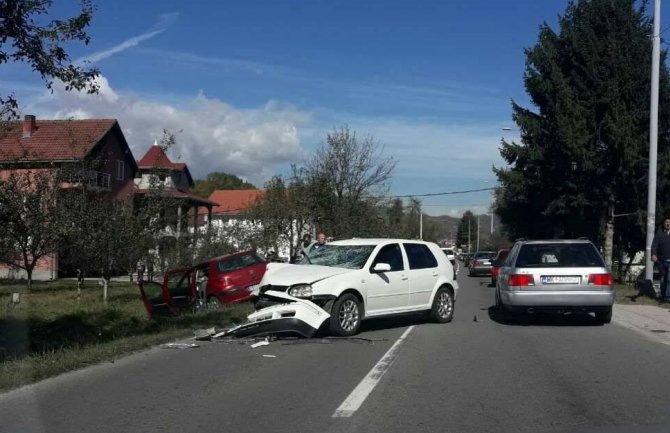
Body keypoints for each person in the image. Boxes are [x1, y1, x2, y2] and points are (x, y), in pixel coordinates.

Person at [651, 217, 670, 303]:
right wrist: (653, 254)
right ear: (664, 223)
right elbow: (654, 245)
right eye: (666, 222)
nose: (668, 224)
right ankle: (663, 296)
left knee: (669, 279)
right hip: (661, 261)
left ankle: (667, 297)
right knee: (663, 279)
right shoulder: (659, 233)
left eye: (669, 222)